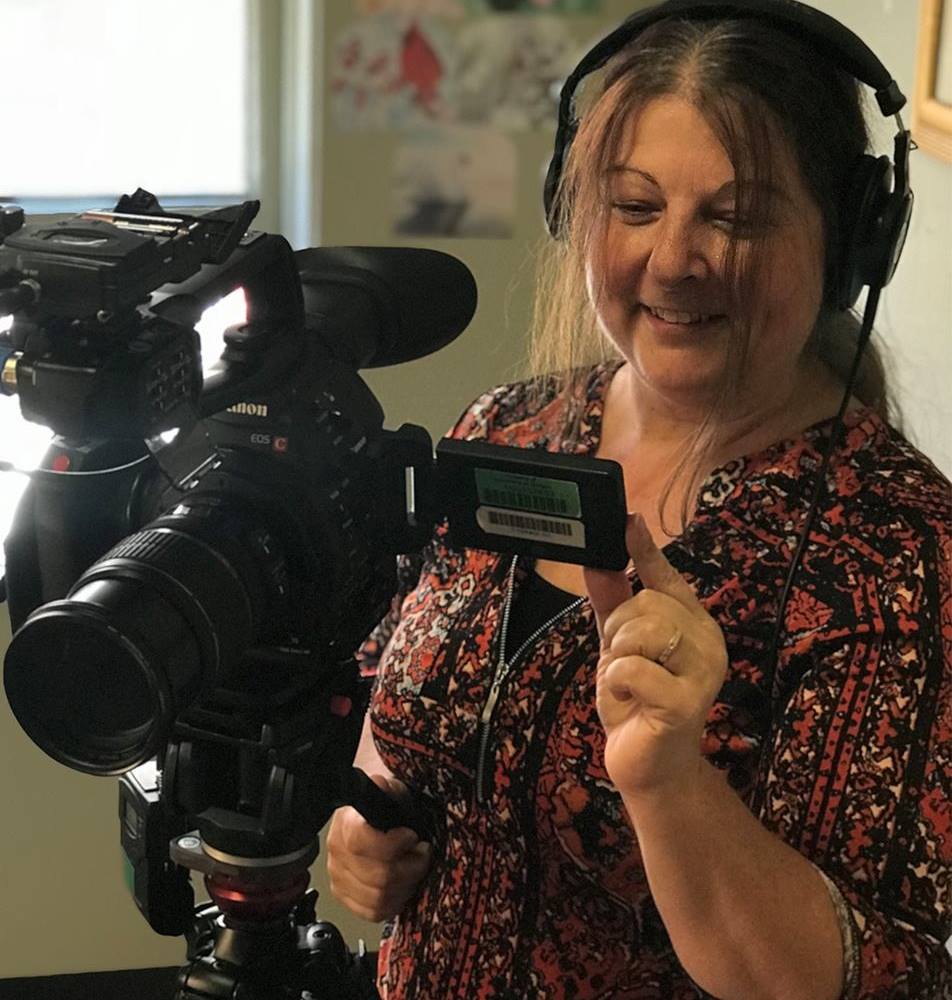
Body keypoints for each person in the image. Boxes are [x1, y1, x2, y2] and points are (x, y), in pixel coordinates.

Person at [327, 2, 952, 997]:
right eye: (633, 206)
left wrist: (669, 781)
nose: (672, 260)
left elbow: (869, 978)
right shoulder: (509, 426)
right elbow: (400, 671)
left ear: (848, 246)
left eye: (734, 217)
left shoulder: (895, 550)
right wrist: (365, 810)